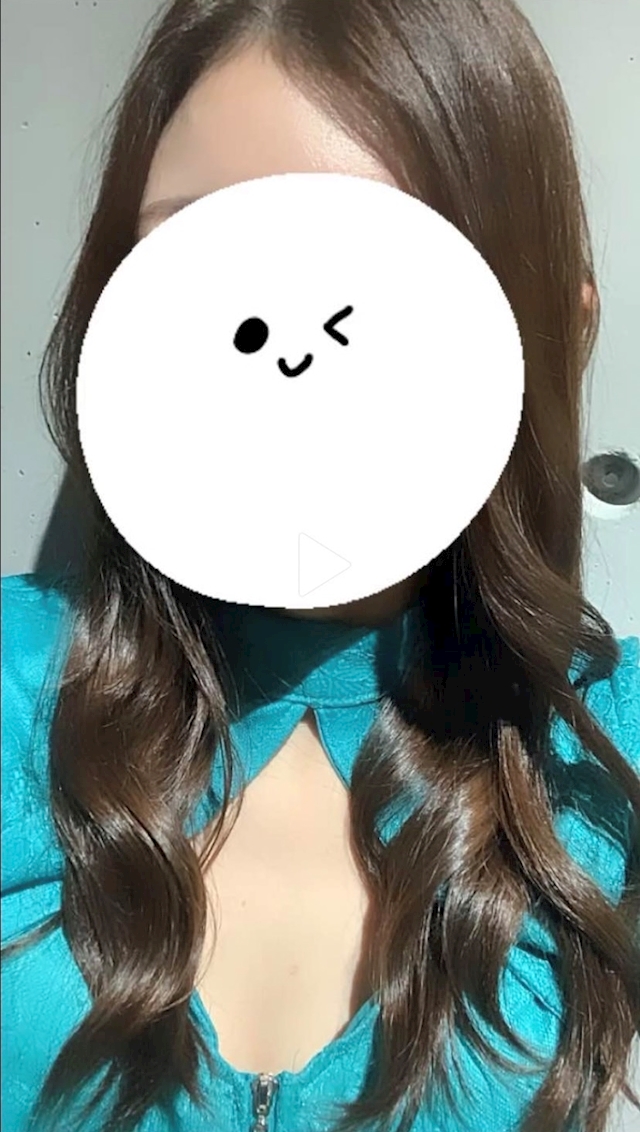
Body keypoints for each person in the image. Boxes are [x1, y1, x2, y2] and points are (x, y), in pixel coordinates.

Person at [2, 1, 639, 1131]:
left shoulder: (608, 752)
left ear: (555, 329)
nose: (286, 353)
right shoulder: (16, 685)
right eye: (200, 258)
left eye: (370, 281)